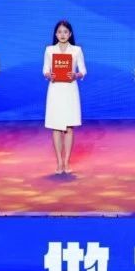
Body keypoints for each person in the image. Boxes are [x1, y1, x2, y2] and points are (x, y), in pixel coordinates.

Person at [43, 19, 87, 175]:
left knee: (69, 127)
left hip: (70, 90)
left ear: (70, 34)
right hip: (55, 90)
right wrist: (48, 75)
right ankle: (59, 162)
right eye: (59, 32)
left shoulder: (76, 50)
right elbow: (45, 70)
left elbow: (83, 70)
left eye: (65, 32)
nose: (62, 35)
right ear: (56, 34)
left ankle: (67, 161)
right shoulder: (49, 50)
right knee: (56, 126)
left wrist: (76, 75)